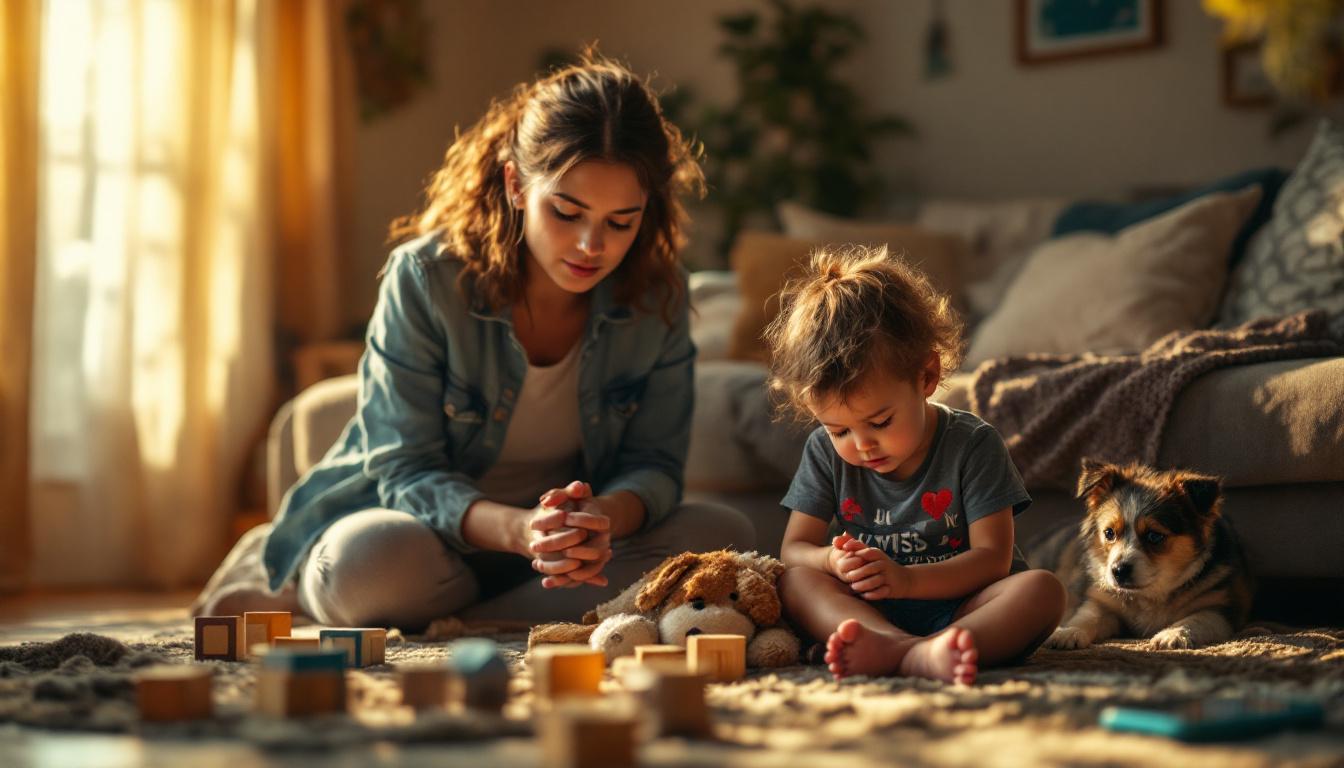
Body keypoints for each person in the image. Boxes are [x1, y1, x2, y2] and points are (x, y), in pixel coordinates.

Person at [193, 54, 754, 630]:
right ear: (515, 184)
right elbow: (406, 469)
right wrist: (519, 530)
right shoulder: (426, 279)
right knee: (361, 565)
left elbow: (654, 464)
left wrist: (602, 519)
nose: (592, 245)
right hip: (424, 539)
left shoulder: (657, 296)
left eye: (621, 221)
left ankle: (461, 621)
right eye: (566, 211)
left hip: (555, 562)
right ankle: (499, 614)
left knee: (725, 536)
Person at [765, 245, 1065, 685]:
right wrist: (830, 561)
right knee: (794, 583)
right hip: (868, 611)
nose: (862, 445)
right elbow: (794, 550)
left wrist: (905, 581)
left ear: (926, 377)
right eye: (839, 430)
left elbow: (992, 561)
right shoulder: (823, 452)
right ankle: (897, 646)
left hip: (965, 609)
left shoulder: (973, 444)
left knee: (1042, 591)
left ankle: (915, 652)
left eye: (880, 422)